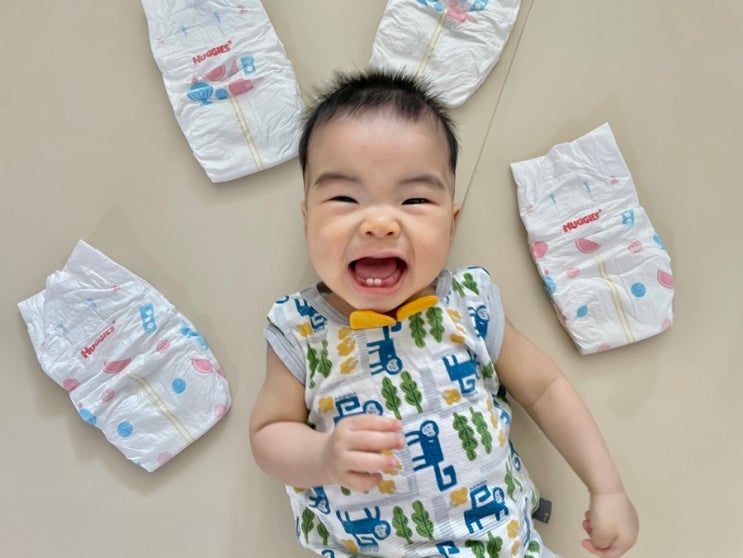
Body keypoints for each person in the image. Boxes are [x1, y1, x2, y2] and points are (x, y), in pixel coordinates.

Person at [249, 70, 638, 558]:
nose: (379, 223)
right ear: (307, 219)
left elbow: (545, 389)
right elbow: (267, 434)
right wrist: (322, 455)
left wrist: (607, 487)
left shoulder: (468, 305)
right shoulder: (300, 330)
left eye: (414, 199)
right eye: (345, 198)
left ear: (451, 224)